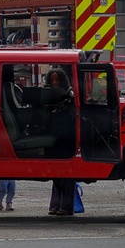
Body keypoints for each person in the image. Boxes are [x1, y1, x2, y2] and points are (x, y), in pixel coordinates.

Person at [45, 68, 76, 216]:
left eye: (57, 80)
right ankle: (56, 204)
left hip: (66, 136)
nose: (54, 83)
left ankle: (66, 206)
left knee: (66, 173)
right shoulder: (49, 96)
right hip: (55, 135)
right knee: (56, 173)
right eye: (52, 80)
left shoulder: (69, 95)